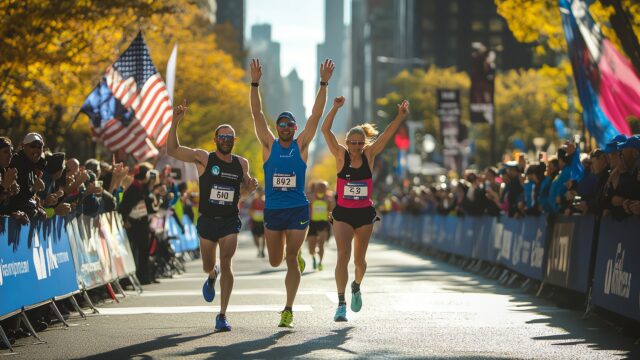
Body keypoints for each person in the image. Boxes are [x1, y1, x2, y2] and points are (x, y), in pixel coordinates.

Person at [250, 57, 334, 327]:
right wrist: (254, 83)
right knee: (275, 260)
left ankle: (288, 309)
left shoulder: (301, 145)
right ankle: (293, 254)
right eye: (282, 124)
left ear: (295, 129)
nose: (285, 128)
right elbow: (257, 115)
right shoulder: (268, 145)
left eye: (290, 125)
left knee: (289, 259)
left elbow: (316, 115)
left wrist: (323, 83)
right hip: (273, 211)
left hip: (298, 208)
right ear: (277, 129)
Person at [167, 99, 257, 332]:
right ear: (215, 140)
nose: (226, 141)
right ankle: (212, 274)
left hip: (229, 220)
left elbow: (242, 195)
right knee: (209, 264)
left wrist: (250, 188)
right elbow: (173, 150)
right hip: (207, 220)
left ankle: (222, 315)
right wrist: (175, 122)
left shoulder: (242, 164)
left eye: (230, 138)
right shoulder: (204, 158)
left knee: (227, 263)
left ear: (234, 141)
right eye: (222, 137)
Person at [321, 95, 409, 322]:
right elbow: (325, 129)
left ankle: (356, 286)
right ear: (347, 142)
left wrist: (399, 117)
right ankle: (341, 304)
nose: (357, 147)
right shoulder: (340, 155)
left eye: (361, 143)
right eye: (353, 143)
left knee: (359, 261)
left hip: (364, 214)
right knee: (343, 256)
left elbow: (387, 134)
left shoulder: (369, 155)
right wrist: (335, 108)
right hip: (342, 213)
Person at [307, 181, 333, 271]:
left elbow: (332, 210)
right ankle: (313, 257)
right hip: (312, 223)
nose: (322, 188)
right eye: (320, 187)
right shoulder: (310, 197)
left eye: (324, 187)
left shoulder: (329, 198)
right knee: (311, 247)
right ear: (316, 188)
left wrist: (330, 205)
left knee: (321, 244)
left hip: (323, 223)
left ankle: (320, 262)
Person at [248, 187, 266, 258]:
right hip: (254, 221)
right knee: (255, 237)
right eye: (259, 192)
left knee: (264, 236)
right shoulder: (253, 201)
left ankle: (262, 250)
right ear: (257, 193)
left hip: (263, 222)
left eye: (262, 192)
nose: (260, 193)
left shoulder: (265, 201)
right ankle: (258, 249)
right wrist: (252, 216)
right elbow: (250, 210)